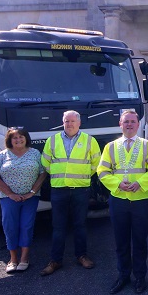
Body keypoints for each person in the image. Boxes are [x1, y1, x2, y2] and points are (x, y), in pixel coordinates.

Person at [97, 110, 148, 294]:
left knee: (140, 241)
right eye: (126, 122)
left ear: (138, 124)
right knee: (121, 241)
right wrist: (118, 185)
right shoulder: (110, 146)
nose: (130, 125)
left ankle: (140, 277)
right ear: (120, 124)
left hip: (140, 199)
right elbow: (102, 171)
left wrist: (140, 184)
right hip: (118, 199)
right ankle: (123, 275)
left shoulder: (147, 145)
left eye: (133, 121)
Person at [39, 110, 101, 276]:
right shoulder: (53, 140)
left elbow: (97, 162)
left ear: (79, 123)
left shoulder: (89, 140)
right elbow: (45, 161)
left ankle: (81, 256)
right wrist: (59, 174)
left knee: (80, 225)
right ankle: (55, 260)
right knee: (58, 227)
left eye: (73, 121)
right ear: (63, 122)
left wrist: (84, 175)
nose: (69, 124)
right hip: (59, 189)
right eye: (66, 121)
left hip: (81, 189)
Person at [0, 127, 47, 274]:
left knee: (26, 226)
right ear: (9, 140)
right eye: (14, 137)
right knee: (10, 227)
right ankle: (13, 259)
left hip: (30, 198)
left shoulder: (35, 153)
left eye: (21, 137)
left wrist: (32, 192)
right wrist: (10, 194)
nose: (18, 140)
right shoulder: (3, 155)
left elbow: (42, 173)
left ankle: (24, 258)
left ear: (26, 138)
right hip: (9, 198)